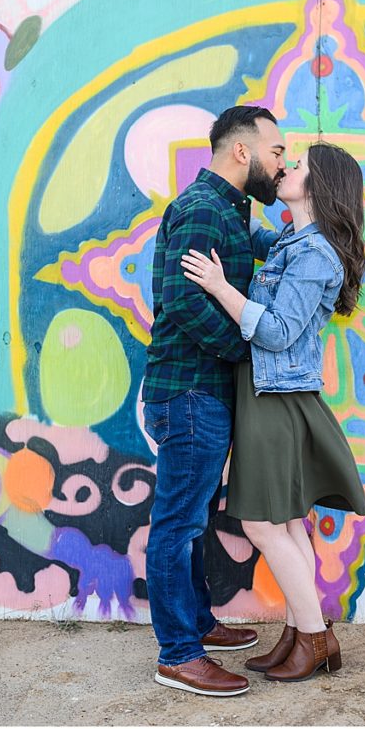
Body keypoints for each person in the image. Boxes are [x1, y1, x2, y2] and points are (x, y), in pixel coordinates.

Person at [181, 141, 365, 683]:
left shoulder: (314, 254)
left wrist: (219, 287)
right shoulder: (295, 239)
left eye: (299, 166)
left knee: (262, 525)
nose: (286, 167)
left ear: (319, 186)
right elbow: (254, 238)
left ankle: (316, 638)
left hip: (276, 399)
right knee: (287, 523)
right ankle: (297, 632)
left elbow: (279, 331)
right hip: (271, 396)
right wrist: (231, 201)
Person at [142, 105, 287, 696]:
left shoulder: (229, 210)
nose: (282, 164)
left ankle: (198, 625)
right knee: (176, 525)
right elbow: (179, 299)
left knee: (193, 516)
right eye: (276, 152)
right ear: (243, 152)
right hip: (190, 392)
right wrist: (244, 348)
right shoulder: (204, 210)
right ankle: (177, 655)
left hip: (201, 392)